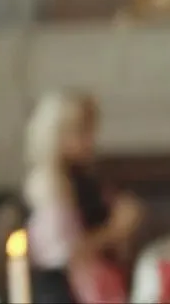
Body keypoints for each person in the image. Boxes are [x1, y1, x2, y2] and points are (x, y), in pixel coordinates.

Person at [22, 90, 142, 304]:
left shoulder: (82, 177)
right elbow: (64, 253)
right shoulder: (50, 183)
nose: (90, 140)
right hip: (64, 292)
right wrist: (116, 230)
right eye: (82, 131)